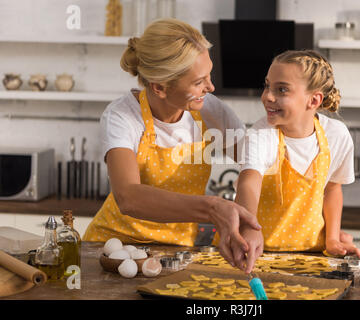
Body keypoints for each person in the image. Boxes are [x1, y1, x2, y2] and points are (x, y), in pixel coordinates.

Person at [82, 18, 261, 257]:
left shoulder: (210, 110)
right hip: (112, 248)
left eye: (209, 75)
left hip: (175, 252)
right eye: (199, 82)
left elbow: (254, 163)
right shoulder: (122, 116)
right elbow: (128, 197)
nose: (211, 87)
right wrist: (212, 207)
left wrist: (249, 223)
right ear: (160, 88)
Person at [226, 50, 360, 273]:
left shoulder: (336, 135)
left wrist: (332, 239)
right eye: (267, 86)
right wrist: (249, 228)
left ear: (314, 100)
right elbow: (248, 182)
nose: (268, 97)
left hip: (311, 254)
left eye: (281, 89)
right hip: (258, 252)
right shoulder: (262, 133)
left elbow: (332, 189)